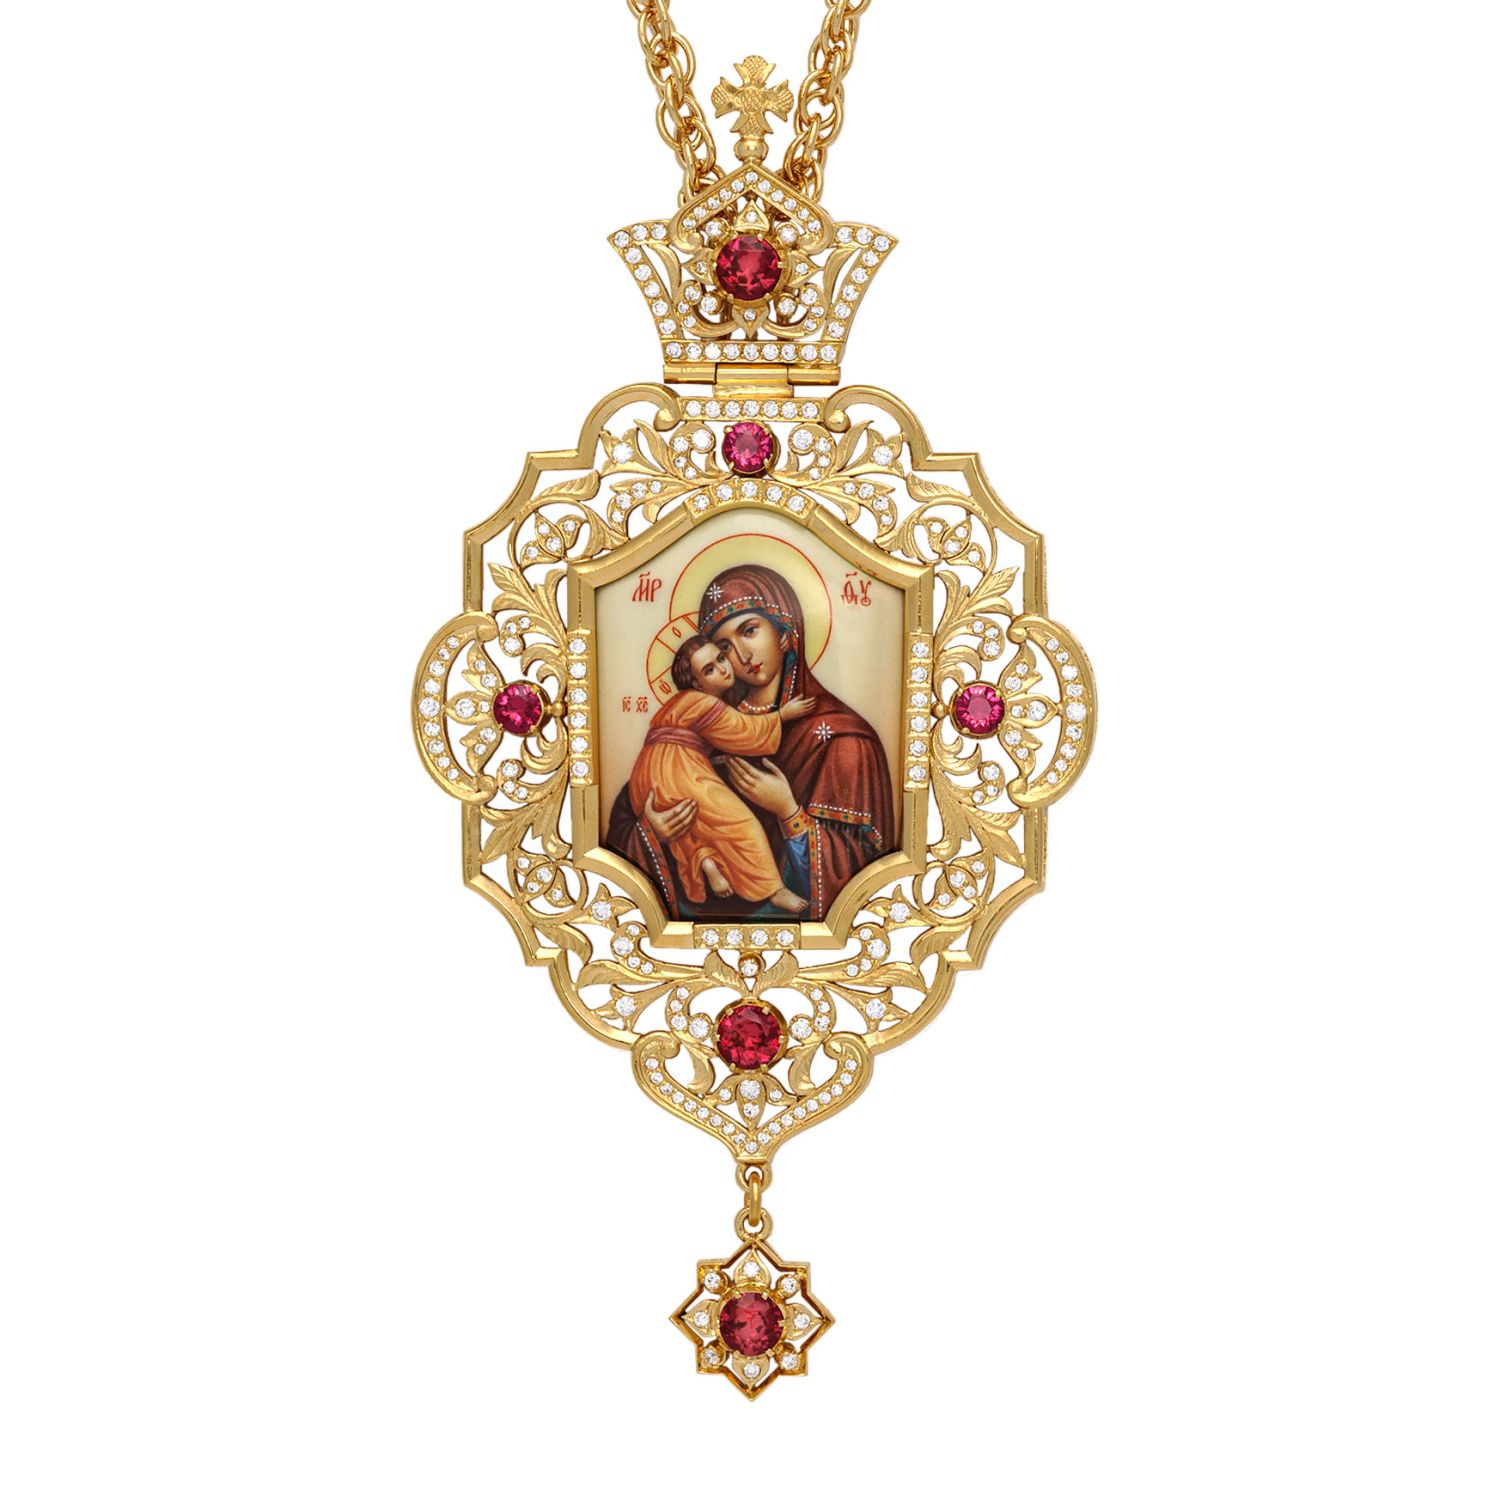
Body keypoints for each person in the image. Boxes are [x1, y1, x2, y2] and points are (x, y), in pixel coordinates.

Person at [607, 563, 895, 921]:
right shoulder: (706, 727)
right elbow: (628, 823)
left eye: (750, 631)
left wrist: (788, 811)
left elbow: (862, 869)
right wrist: (652, 830)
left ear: (786, 632)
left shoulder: (843, 739)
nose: (741, 656)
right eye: (723, 646)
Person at [629, 634, 814, 913]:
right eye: (709, 670)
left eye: (720, 658)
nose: (724, 669)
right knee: (740, 824)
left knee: (696, 823)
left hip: (648, 779)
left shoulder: (684, 702)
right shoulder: (703, 702)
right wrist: (781, 716)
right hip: (677, 770)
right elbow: (745, 732)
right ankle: (773, 890)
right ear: (697, 683)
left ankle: (705, 860)